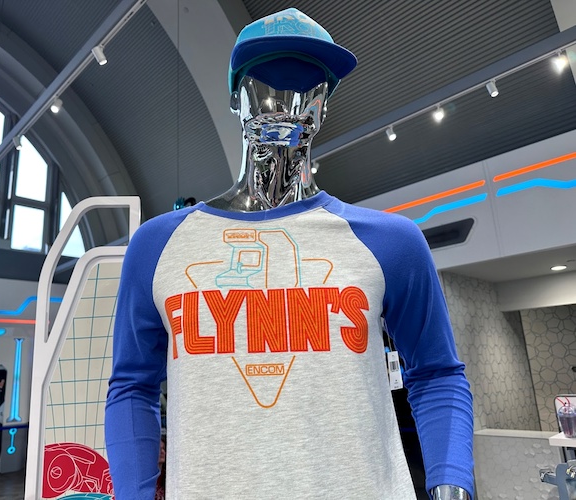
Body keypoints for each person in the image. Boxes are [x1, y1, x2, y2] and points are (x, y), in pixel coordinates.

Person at [106, 7, 474, 499]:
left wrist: (452, 484)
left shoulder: (391, 242)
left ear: (323, 108)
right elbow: (133, 386)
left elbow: (436, 374)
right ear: (236, 100)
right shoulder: (158, 247)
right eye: (265, 82)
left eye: (308, 87)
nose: (286, 104)